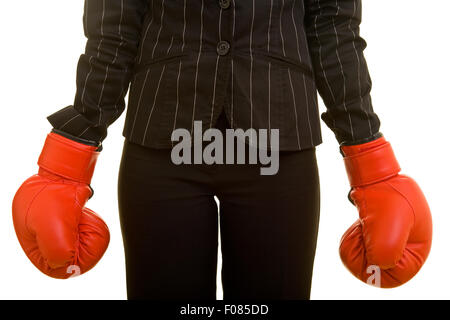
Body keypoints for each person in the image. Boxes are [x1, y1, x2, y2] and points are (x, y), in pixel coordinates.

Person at [12, 0, 432, 300]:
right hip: (163, 138)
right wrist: (69, 157)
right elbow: (113, 33)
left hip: (279, 139)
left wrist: (370, 160)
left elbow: (334, 31)